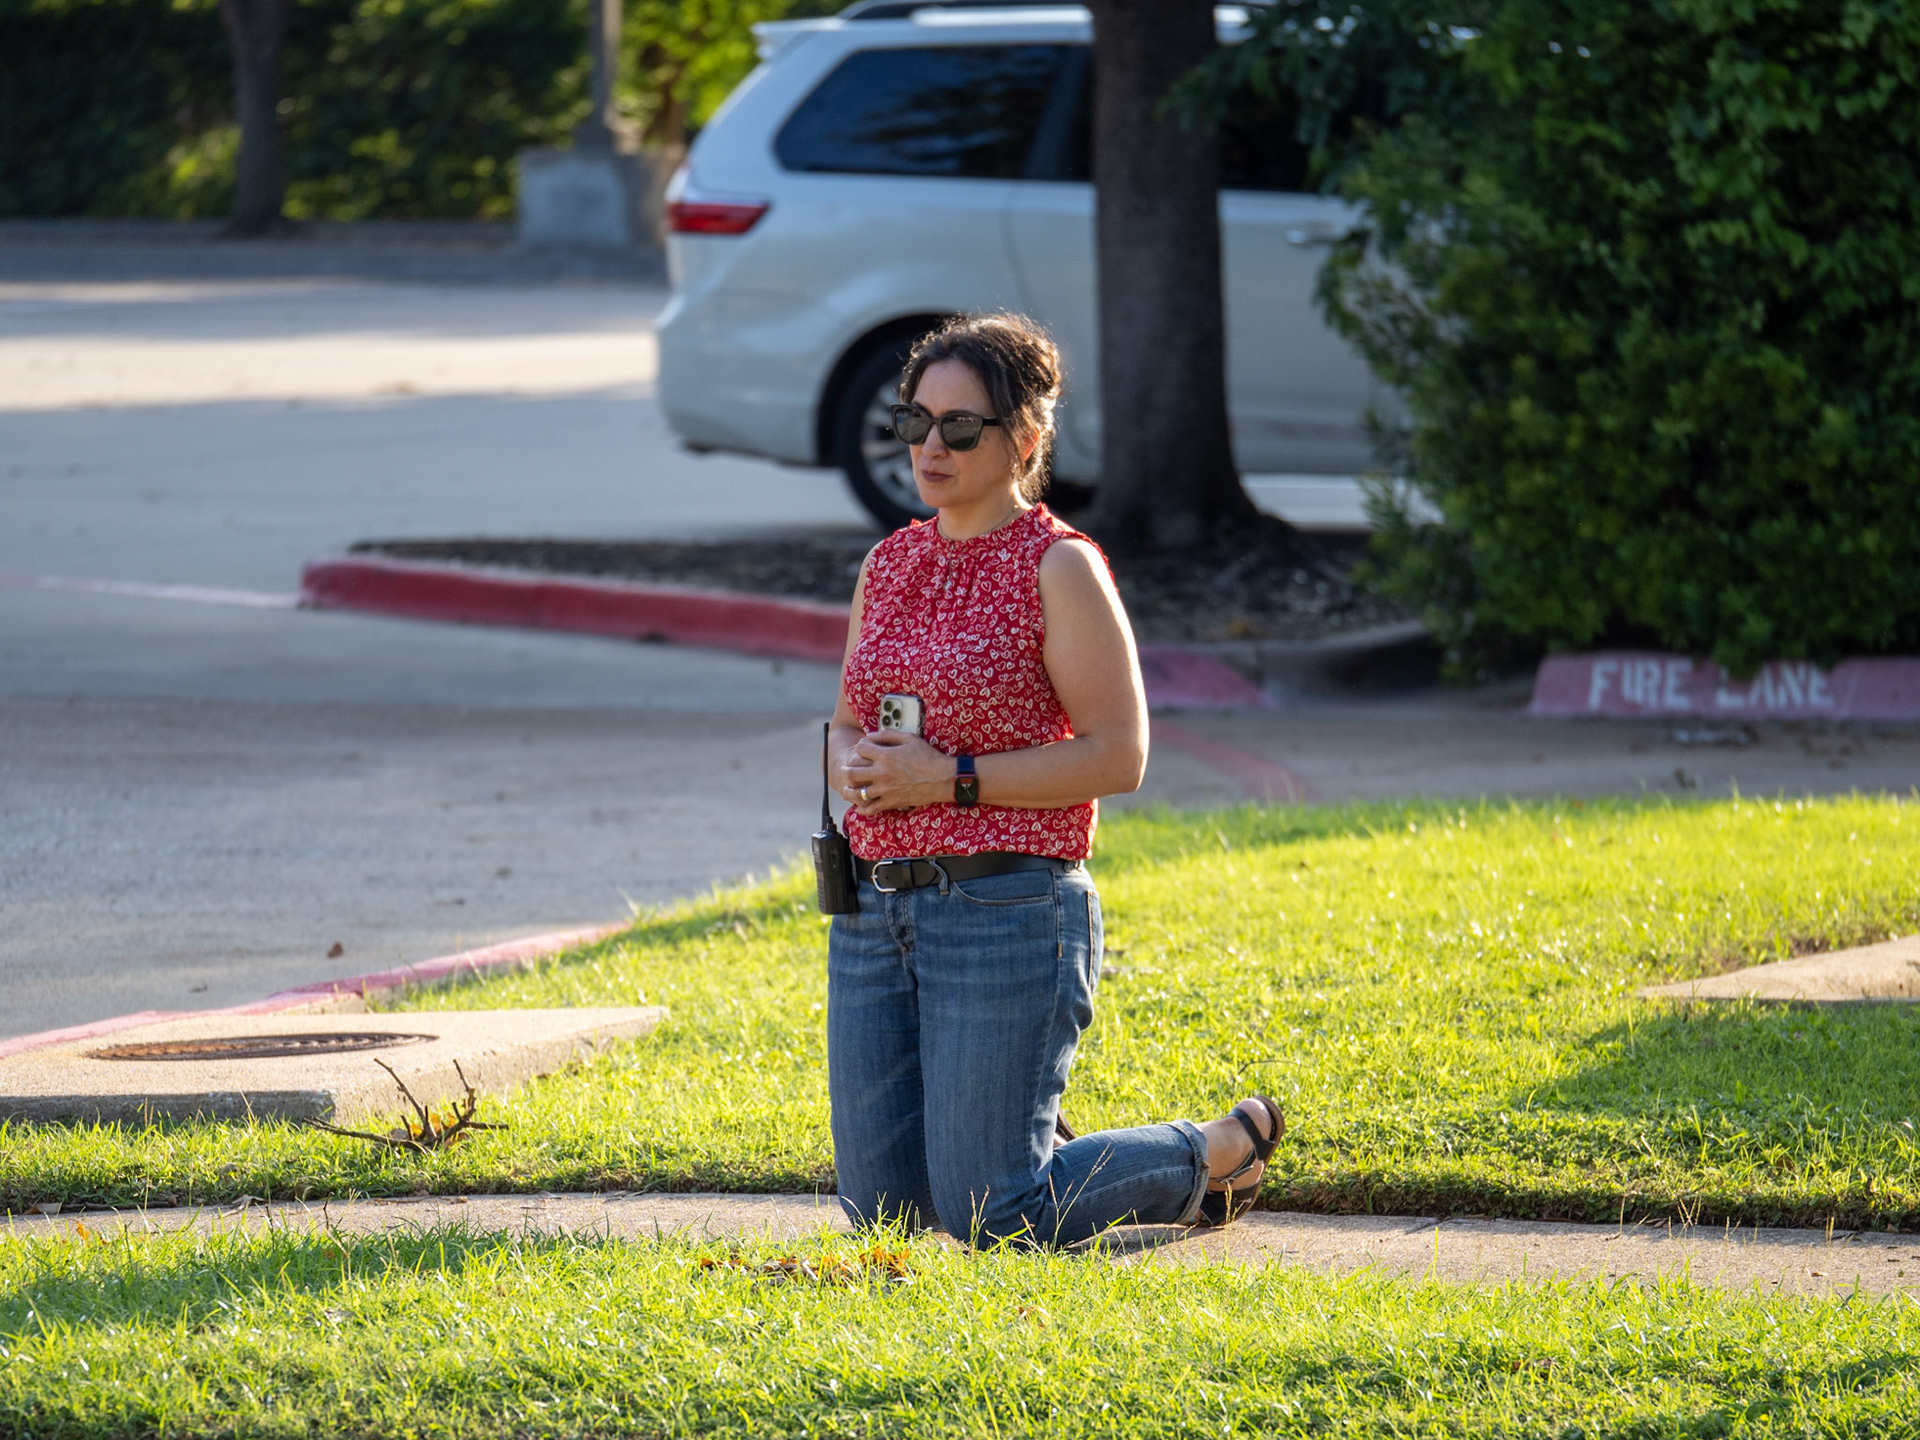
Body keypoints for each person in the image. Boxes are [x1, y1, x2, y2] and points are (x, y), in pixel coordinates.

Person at [825, 312, 1283, 1248]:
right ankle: (1021, 1139)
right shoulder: (889, 564)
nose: (931, 447)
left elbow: (1120, 754)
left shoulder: (1059, 567)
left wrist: (945, 781)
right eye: (916, 423)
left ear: (1024, 439)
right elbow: (843, 718)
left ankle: (1218, 1147)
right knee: (885, 1219)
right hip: (877, 916)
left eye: (961, 427)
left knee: (997, 1218)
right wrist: (856, 763)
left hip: (1008, 910)